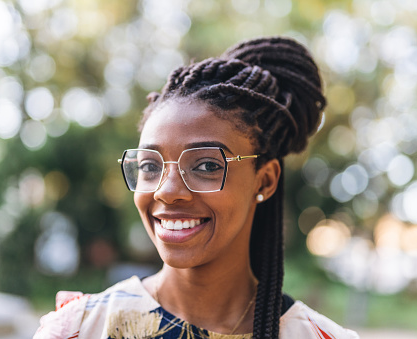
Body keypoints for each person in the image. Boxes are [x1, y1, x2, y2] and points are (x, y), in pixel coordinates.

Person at [34, 36, 359, 339]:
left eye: (206, 165)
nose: (167, 191)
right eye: (150, 166)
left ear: (265, 180)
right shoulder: (79, 329)